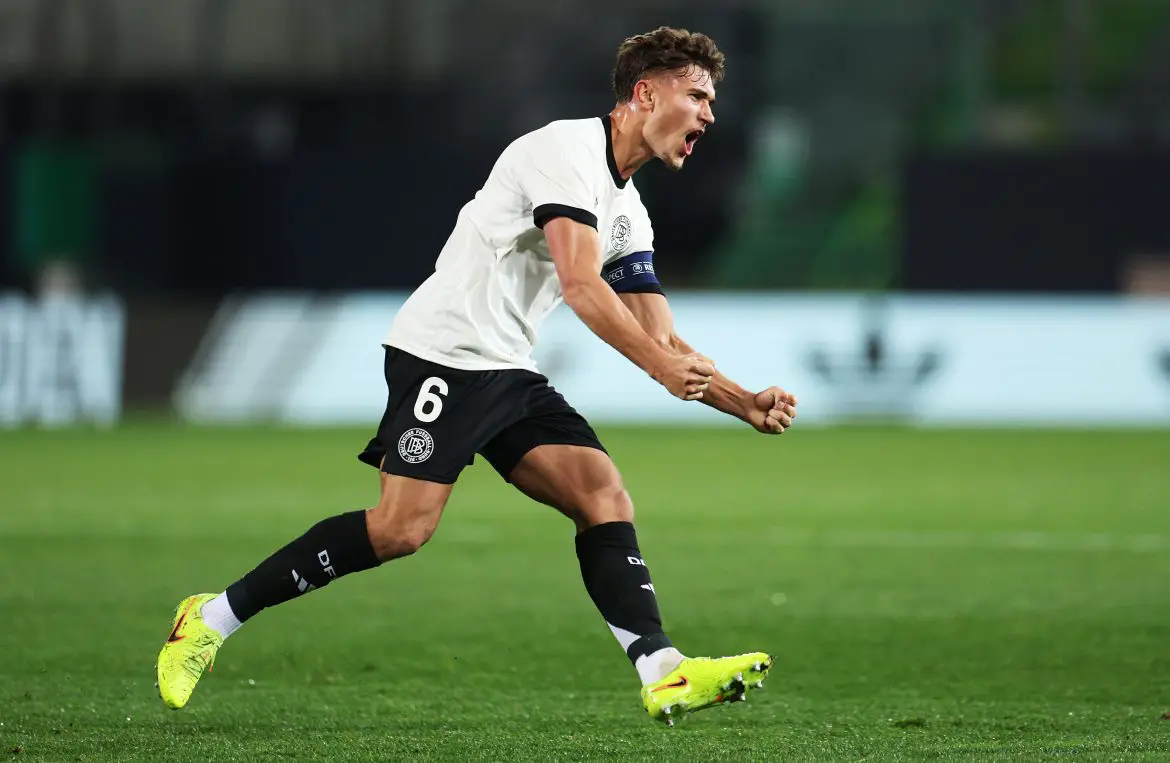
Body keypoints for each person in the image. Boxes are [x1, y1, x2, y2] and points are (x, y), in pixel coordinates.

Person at [156, 26, 797, 727]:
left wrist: (742, 400)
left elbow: (662, 335)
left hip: (508, 367)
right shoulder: (563, 151)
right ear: (645, 94)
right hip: (445, 353)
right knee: (401, 529)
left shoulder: (628, 211)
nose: (709, 113)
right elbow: (582, 286)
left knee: (602, 494)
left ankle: (662, 669)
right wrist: (661, 367)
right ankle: (210, 617)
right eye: (697, 95)